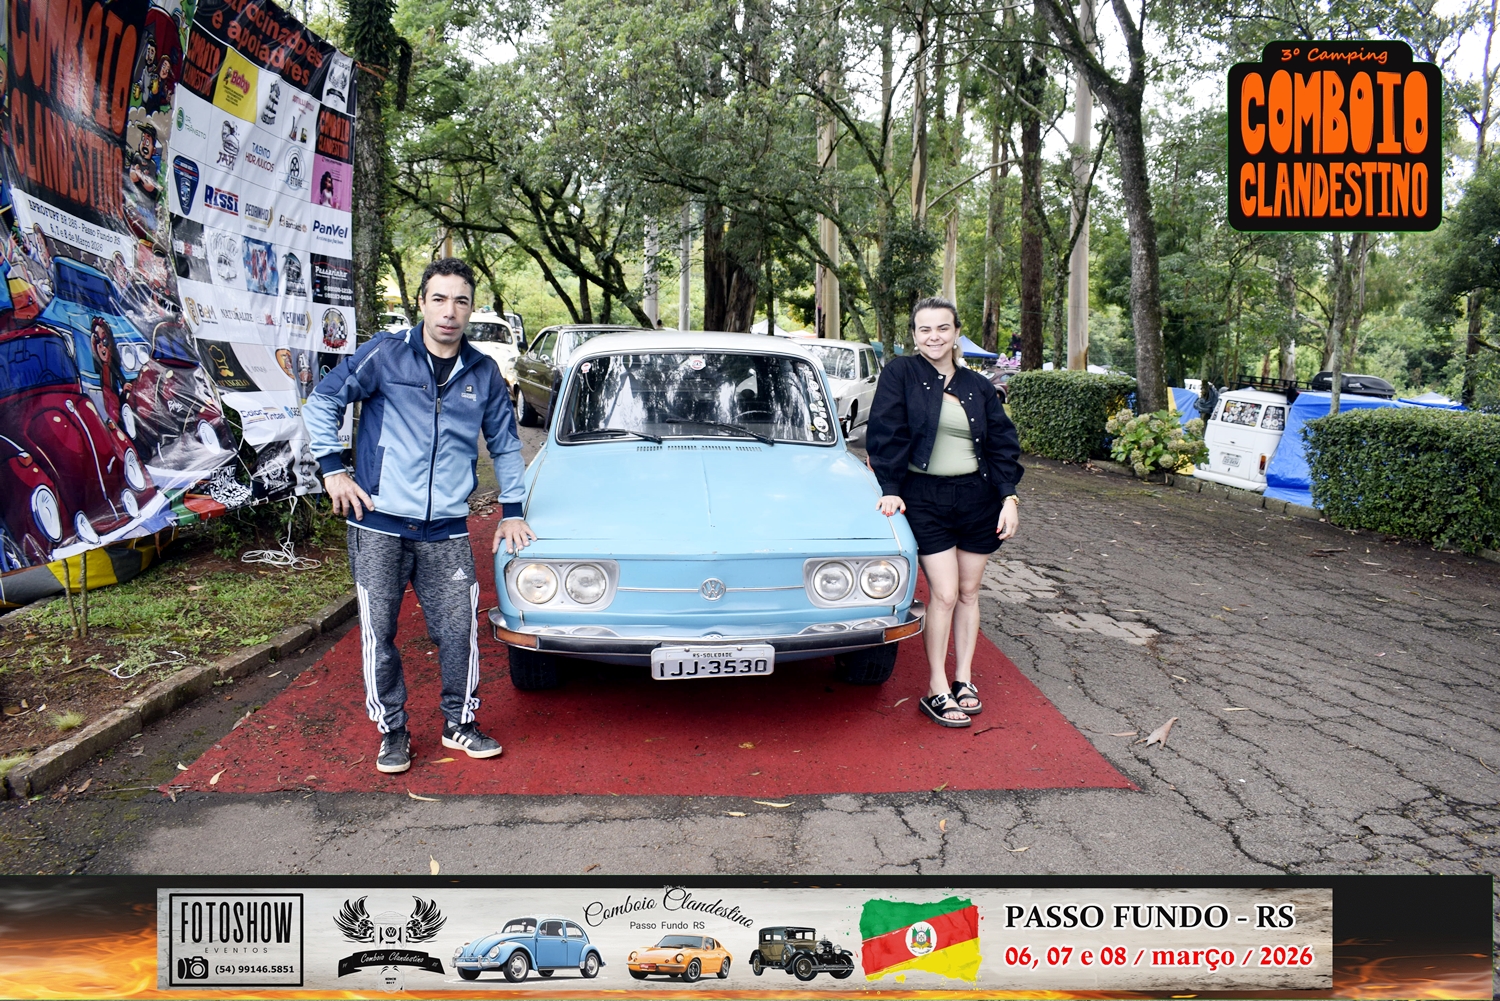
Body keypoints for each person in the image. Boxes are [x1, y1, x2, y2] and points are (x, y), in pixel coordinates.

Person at [303, 258, 535, 774]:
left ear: (470, 309)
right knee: (379, 632)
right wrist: (332, 469)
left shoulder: (483, 373)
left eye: (460, 301)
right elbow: (322, 401)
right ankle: (393, 731)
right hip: (377, 522)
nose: (450, 312)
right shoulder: (385, 354)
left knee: (458, 632)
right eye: (439, 299)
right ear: (422, 303)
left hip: (446, 531)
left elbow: (505, 444)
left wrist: (513, 510)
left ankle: (460, 723)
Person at [865, 296, 1023, 728]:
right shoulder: (901, 373)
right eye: (925, 329)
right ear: (915, 335)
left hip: (977, 498)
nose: (933, 337)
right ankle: (936, 686)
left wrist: (1009, 498)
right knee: (946, 594)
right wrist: (890, 489)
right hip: (925, 498)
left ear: (956, 333)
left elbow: (1002, 444)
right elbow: (886, 431)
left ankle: (964, 680)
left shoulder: (978, 386)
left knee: (970, 592)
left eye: (942, 328)